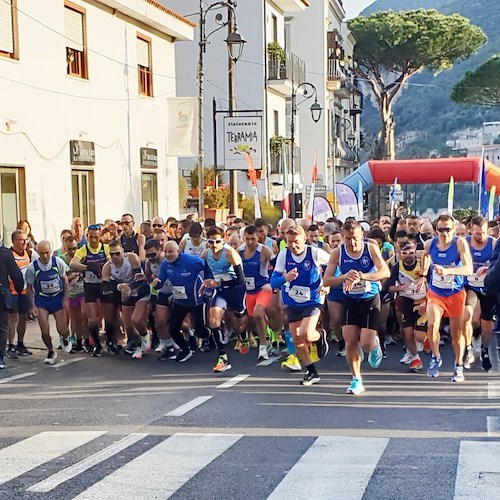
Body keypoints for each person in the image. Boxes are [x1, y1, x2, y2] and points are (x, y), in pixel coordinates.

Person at [324, 219, 390, 395]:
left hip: (369, 299)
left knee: (366, 345)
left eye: (354, 238)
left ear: (362, 236)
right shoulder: (337, 253)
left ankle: (374, 344)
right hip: (350, 301)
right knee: (350, 342)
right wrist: (344, 277)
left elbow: (385, 272)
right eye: (347, 238)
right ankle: (356, 379)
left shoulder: (370, 249)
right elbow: (326, 280)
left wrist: (364, 276)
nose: (351, 243)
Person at [270, 225, 330, 386]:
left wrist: (327, 284)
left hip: (313, 299)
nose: (293, 246)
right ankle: (311, 371)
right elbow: (273, 281)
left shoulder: (314, 253)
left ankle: (319, 336)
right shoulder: (284, 255)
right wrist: (285, 278)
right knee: (297, 339)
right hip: (292, 300)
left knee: (307, 333)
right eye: (289, 242)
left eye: (296, 242)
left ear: (304, 239)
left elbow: (334, 266)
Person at [418, 214, 473, 382]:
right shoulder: (430, 244)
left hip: (455, 293)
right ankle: (436, 357)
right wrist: (423, 274)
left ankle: (458, 365)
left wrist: (448, 271)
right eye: (440, 229)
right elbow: (425, 255)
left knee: (456, 333)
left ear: (453, 229)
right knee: (432, 325)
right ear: (436, 230)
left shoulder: (459, 243)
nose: (444, 233)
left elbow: (468, 268)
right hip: (436, 293)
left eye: (447, 229)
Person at [199, 226, 247, 373]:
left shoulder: (230, 254)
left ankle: (243, 336)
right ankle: (223, 357)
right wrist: (204, 283)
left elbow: (241, 279)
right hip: (219, 291)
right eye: (210, 242)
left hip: (235, 290)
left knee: (238, 325)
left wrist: (218, 283)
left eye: (217, 242)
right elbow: (204, 272)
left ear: (224, 239)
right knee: (213, 320)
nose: (214, 246)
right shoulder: (205, 254)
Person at [152, 241, 209, 362]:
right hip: (179, 301)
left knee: (201, 331)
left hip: (196, 300)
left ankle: (210, 336)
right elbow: (160, 280)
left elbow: (207, 266)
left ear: (178, 251)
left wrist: (208, 284)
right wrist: (156, 283)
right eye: (166, 252)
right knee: (172, 328)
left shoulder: (191, 261)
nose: (168, 254)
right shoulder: (165, 264)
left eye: (171, 251)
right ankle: (185, 350)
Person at [25, 240, 72, 364]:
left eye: (47, 253)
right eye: (42, 254)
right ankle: (51, 351)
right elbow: (29, 287)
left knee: (62, 329)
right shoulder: (32, 267)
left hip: (57, 298)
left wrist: (65, 298)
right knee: (44, 330)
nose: (45, 256)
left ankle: (66, 337)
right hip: (42, 299)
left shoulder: (58, 262)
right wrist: (31, 306)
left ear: (51, 251)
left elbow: (65, 280)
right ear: (38, 253)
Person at [101, 240, 150, 359]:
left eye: (117, 253)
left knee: (136, 319)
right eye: (112, 254)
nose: (115, 257)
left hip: (140, 290)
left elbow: (138, 277)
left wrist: (127, 288)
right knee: (128, 326)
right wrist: (119, 287)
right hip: (124, 292)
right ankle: (138, 344)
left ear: (123, 251)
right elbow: (105, 287)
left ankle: (145, 336)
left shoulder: (131, 258)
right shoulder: (107, 266)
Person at [384, 241, 428, 372]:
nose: (408, 256)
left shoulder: (423, 266)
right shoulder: (397, 267)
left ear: (416, 253)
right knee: (407, 332)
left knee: (420, 336)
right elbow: (387, 286)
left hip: (422, 301)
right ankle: (415, 358)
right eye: (405, 253)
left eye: (411, 253)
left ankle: (422, 344)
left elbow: (432, 283)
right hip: (406, 300)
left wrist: (427, 300)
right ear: (399, 254)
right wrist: (400, 288)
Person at [69, 223, 110, 354]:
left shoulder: (105, 248)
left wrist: (102, 268)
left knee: (108, 317)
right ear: (87, 237)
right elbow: (73, 263)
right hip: (90, 286)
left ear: (100, 237)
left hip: (104, 285)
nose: (93, 240)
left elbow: (111, 263)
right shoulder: (83, 249)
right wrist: (88, 267)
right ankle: (97, 344)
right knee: (91, 319)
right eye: (91, 237)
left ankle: (111, 341)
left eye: (96, 238)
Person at [462, 216, 496, 372]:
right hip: (471, 286)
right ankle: (470, 345)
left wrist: (488, 267)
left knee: (487, 325)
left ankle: (484, 349)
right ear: (470, 230)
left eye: (483, 233)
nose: (480, 237)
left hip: (488, 286)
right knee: (472, 318)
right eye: (477, 233)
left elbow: (497, 261)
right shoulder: (464, 243)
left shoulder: (493, 243)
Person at [239, 226, 274, 360]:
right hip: (248, 291)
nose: (250, 242)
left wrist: (271, 282)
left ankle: (263, 348)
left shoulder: (264, 251)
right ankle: (267, 333)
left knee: (258, 314)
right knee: (251, 319)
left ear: (258, 237)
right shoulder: (239, 251)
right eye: (247, 239)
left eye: (253, 239)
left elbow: (277, 266)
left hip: (262, 288)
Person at [7, 230, 36, 358]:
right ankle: (10, 346)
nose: (24, 242)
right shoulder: (8, 254)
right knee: (12, 318)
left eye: (25, 239)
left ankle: (20, 344)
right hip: (11, 291)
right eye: (21, 240)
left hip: (24, 291)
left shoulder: (28, 253)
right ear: (14, 241)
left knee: (23, 317)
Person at [0, 238, 24, 369]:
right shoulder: (5, 253)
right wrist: (20, 289)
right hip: (2, 291)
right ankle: (0, 357)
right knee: (2, 325)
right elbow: (16, 274)